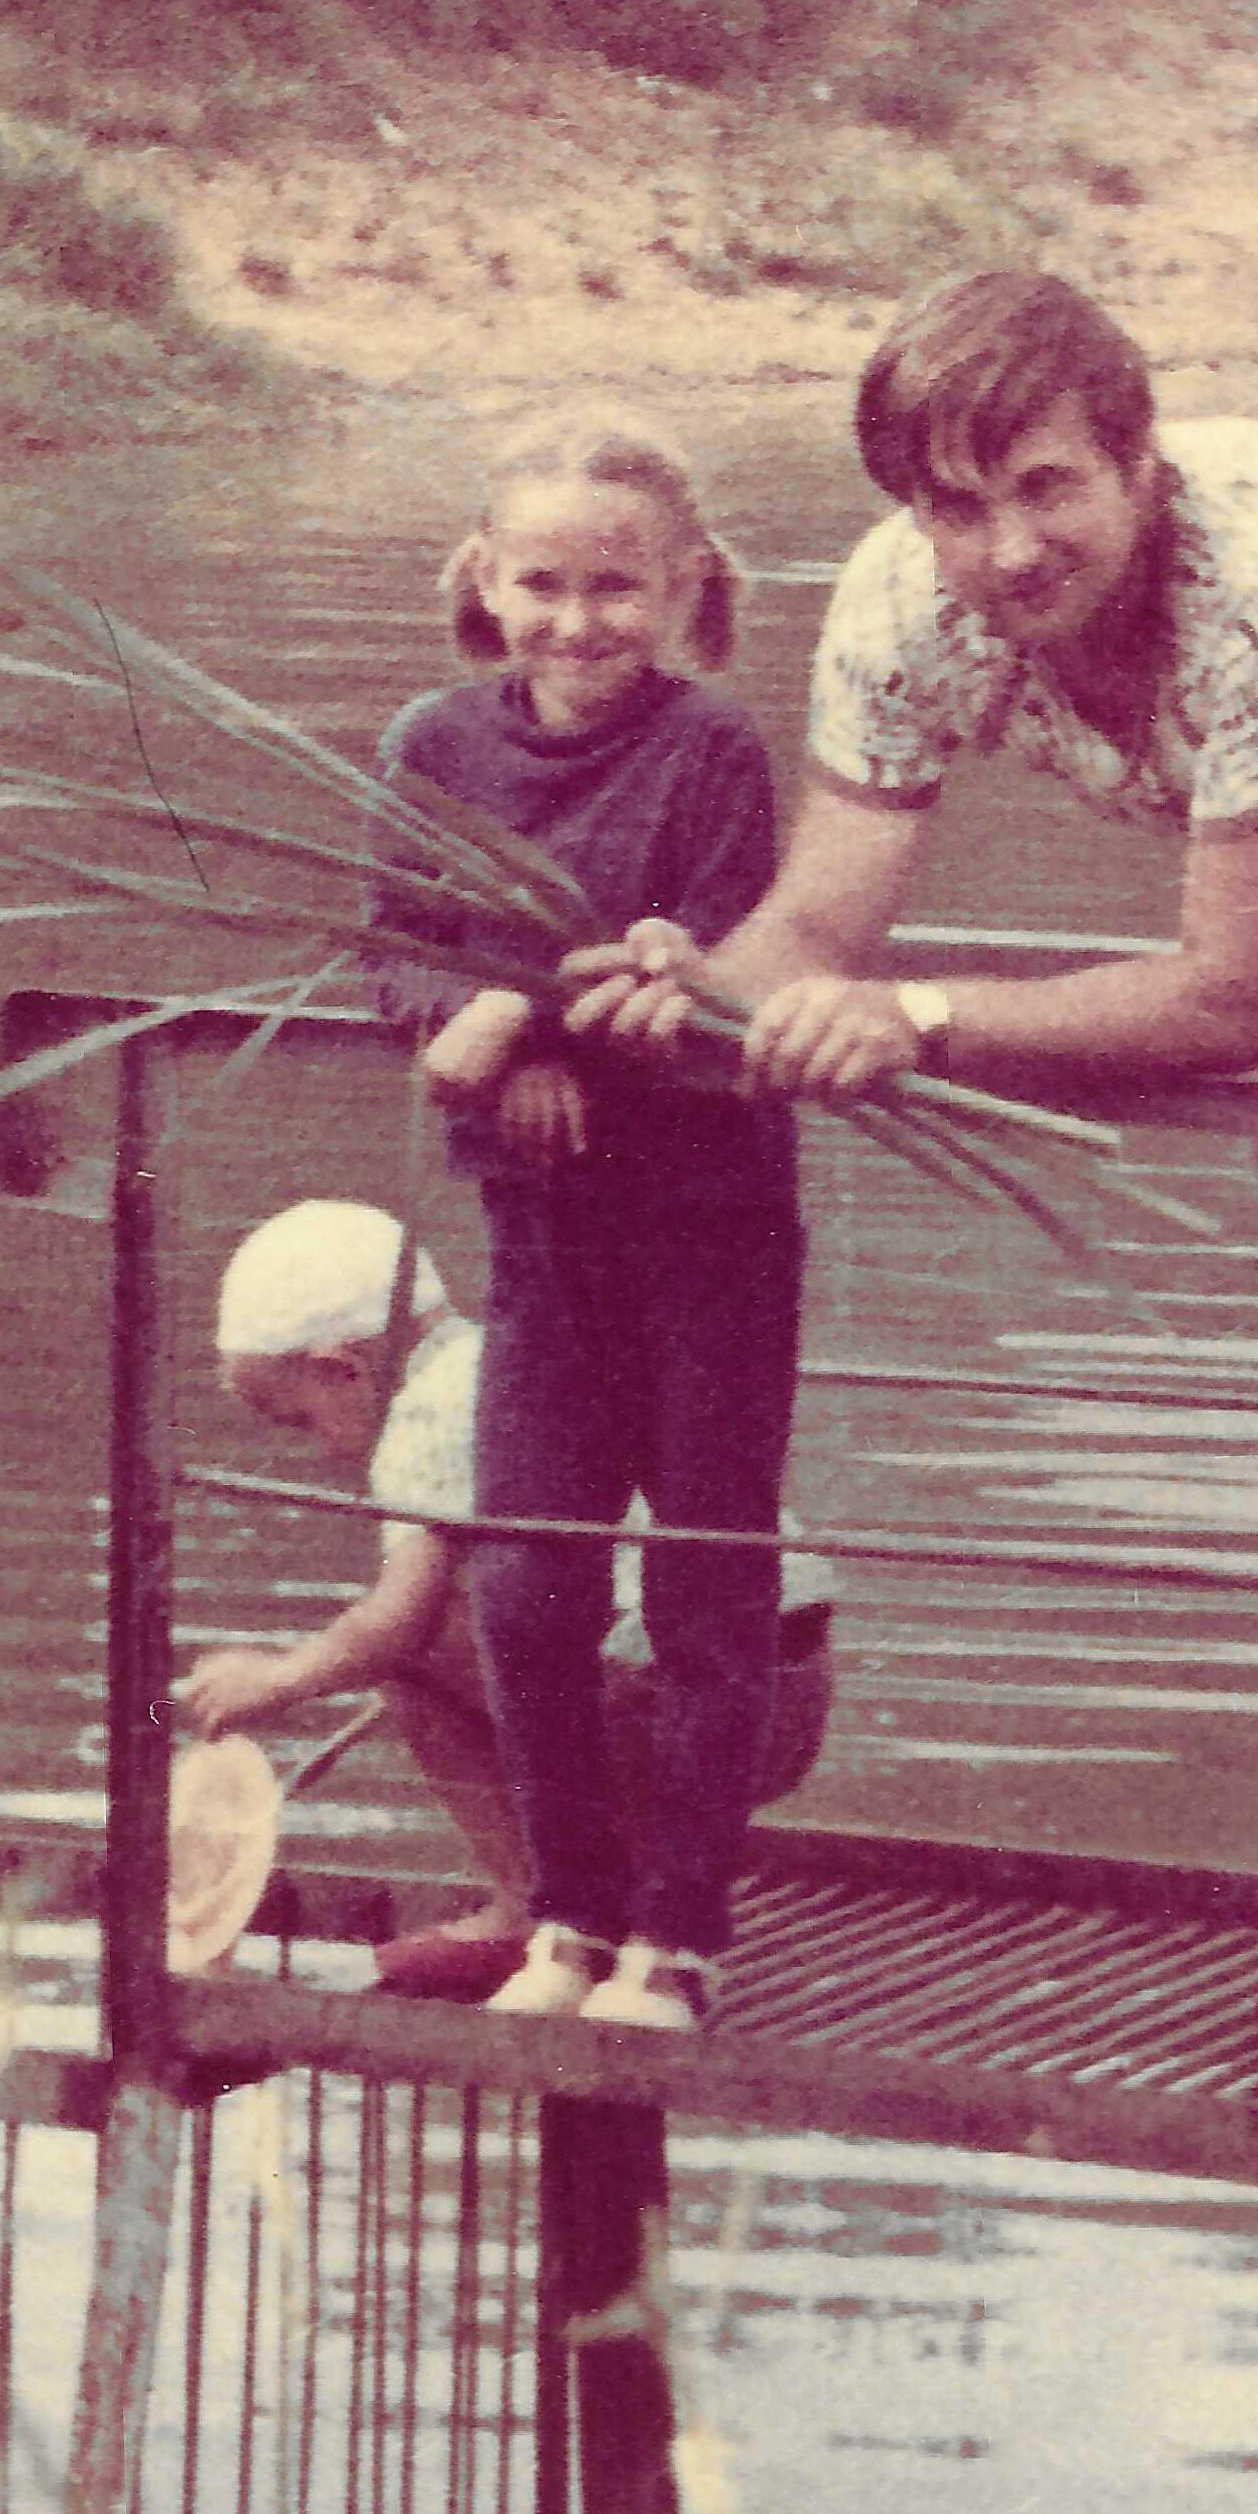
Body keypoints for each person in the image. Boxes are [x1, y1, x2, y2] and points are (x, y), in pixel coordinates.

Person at [558, 270, 1258, 2121]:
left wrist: (910, 1022)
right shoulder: (903, 605)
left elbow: (1223, 1001)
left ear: (1137, 464)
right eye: (956, 504)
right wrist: (677, 988)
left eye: (1049, 489)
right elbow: (822, 919)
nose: (1007, 549)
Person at [361, 417, 815, 2033]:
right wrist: (496, 1045)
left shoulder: (714, 750)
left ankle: (677, 1944)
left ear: (683, 586)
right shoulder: (433, 743)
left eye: (614, 587)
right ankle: (568, 1918)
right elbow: (391, 959)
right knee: (529, 1593)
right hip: (542, 1232)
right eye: (541, 583)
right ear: (486, 580)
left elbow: (692, 969)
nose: (575, 621)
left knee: (700, 1589)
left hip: (709, 1227)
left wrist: (526, 1025)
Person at [176, 1202, 840, 2004]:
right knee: (501, 1613)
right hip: (780, 1696)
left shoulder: (425, 1413)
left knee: (409, 1657)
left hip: (671, 1707)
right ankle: (619, 1889)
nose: (319, 1450)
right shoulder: (510, 1359)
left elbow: (398, 1623)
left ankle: (529, 1905)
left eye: (302, 1420)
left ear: (344, 1366)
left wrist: (280, 1678)